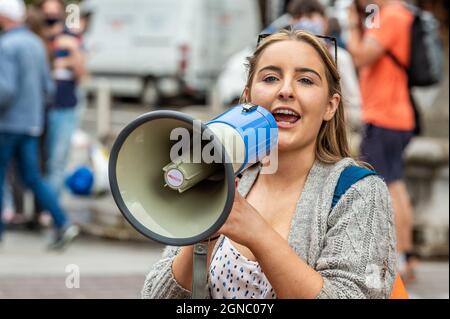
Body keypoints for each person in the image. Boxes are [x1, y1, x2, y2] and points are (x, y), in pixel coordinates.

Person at [141, 29, 397, 299]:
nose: (286, 90)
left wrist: (257, 233)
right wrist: (202, 236)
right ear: (249, 97)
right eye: (271, 78)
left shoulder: (358, 194)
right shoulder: (221, 174)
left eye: (306, 81)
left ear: (330, 106)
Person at [345, 0, 417, 282]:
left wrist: (352, 22)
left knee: (387, 187)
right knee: (395, 184)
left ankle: (400, 258)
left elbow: (361, 55)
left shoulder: (394, 15)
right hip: (387, 115)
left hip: (386, 116)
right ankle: (405, 257)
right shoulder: (383, 15)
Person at [0, 0, 79, 248]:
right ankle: (62, 221)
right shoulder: (36, 43)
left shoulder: (7, 45)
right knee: (33, 177)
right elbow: (48, 87)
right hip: (32, 123)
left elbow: (5, 89)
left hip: (8, 125)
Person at [37, 0, 87, 196]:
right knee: (39, 162)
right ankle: (41, 208)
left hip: (64, 107)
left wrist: (71, 53)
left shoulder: (71, 38)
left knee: (57, 161)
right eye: (47, 13)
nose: (51, 17)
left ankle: (51, 209)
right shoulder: (37, 38)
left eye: (54, 12)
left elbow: (82, 73)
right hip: (39, 108)